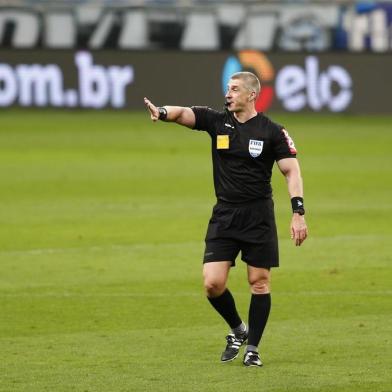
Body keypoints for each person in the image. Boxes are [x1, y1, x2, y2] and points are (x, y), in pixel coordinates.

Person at [144, 71, 308, 367]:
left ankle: (253, 349)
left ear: (251, 94)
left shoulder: (272, 131)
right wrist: (164, 112)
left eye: (234, 89)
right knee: (212, 283)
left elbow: (291, 170)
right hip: (225, 214)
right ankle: (238, 329)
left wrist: (298, 212)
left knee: (259, 282)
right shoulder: (218, 121)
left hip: (258, 216)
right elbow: (186, 114)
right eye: (227, 89)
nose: (228, 94)